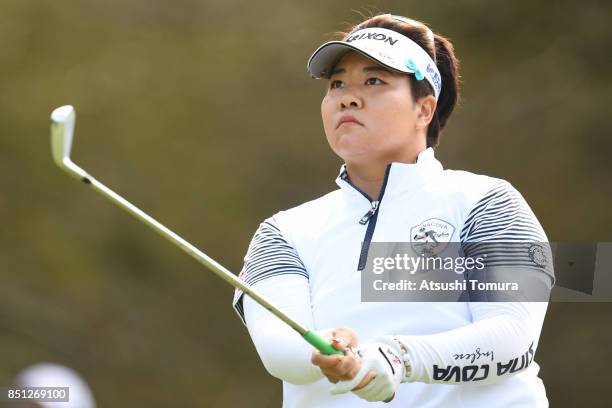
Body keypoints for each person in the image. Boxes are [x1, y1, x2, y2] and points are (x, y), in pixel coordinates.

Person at [232, 13, 554, 407]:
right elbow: (280, 352)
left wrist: (400, 357)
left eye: (374, 81)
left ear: (424, 109)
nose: (348, 96)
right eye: (337, 84)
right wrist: (329, 352)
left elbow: (512, 337)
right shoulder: (283, 232)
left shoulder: (486, 202)